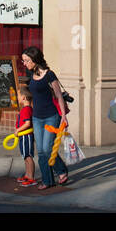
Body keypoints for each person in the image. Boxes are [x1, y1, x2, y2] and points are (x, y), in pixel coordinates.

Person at [21, 46, 69, 189]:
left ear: (35, 60)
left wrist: (63, 116)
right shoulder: (30, 75)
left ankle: (61, 170)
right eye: (23, 61)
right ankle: (48, 181)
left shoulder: (49, 75)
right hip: (37, 117)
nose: (24, 63)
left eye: (26, 60)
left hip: (51, 116)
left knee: (47, 149)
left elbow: (59, 95)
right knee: (41, 151)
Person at [12, 87, 37, 185]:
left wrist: (18, 130)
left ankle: (31, 178)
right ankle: (27, 175)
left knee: (28, 156)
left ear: (24, 97)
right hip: (23, 136)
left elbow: (27, 123)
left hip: (26, 136)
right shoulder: (26, 109)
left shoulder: (27, 109)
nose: (17, 97)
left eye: (18, 95)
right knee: (25, 156)